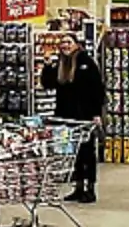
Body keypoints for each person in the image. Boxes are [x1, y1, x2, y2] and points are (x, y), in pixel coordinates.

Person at [40, 35, 105, 203]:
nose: (65, 45)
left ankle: (90, 189)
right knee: (74, 154)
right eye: (62, 42)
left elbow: (97, 89)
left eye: (69, 42)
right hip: (66, 117)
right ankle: (78, 187)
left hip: (84, 117)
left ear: (76, 44)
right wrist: (47, 65)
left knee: (87, 153)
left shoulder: (87, 63)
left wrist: (96, 113)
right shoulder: (60, 65)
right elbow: (48, 84)